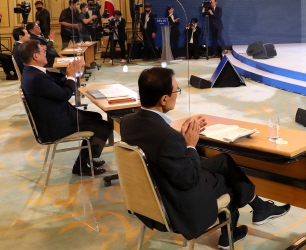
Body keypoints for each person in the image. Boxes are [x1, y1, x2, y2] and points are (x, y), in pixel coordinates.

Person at [120, 67, 290, 248]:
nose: (177, 94)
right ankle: (230, 234)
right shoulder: (168, 137)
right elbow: (188, 179)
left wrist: (179, 135)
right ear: (164, 99)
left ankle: (258, 206)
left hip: (152, 194)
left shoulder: (128, 121)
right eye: (176, 91)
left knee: (223, 161)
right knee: (224, 181)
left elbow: (158, 149)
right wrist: (190, 144)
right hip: (175, 202)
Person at [19, 40, 111, 175]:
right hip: (56, 125)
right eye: (42, 51)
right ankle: (81, 165)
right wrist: (72, 77)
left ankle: (87, 158)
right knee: (104, 126)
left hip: (54, 116)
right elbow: (64, 95)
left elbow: (53, 87)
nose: (45, 53)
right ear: (35, 56)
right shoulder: (36, 78)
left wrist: (71, 74)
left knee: (96, 117)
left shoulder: (31, 72)